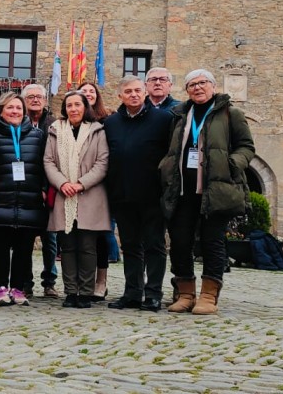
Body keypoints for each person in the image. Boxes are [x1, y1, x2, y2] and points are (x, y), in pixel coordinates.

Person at [159, 69, 255, 315]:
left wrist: (232, 164)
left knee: (213, 242)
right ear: (187, 90)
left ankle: (209, 295)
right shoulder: (179, 115)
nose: (197, 88)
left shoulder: (230, 113)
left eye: (202, 83)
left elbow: (246, 146)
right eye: (192, 84)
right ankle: (185, 292)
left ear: (212, 86)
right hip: (182, 190)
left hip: (215, 188)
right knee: (180, 241)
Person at [103, 75, 173, 312]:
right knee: (131, 246)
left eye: (137, 91)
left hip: (152, 194)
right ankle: (132, 292)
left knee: (154, 245)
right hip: (122, 194)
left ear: (144, 93)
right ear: (120, 96)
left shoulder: (163, 119)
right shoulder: (111, 123)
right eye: (128, 92)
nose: (133, 95)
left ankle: (153, 293)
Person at [0, 92, 48, 306]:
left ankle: (17, 288)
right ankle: (1, 287)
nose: (15, 111)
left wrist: (44, 188)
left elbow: (45, 165)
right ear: (1, 111)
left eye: (18, 108)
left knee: (24, 249)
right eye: (10, 107)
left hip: (29, 200)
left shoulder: (37, 136)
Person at [44, 91, 109, 309]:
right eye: (69, 105)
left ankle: (86, 292)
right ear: (64, 109)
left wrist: (81, 183)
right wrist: (63, 183)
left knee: (88, 247)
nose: (73, 109)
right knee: (68, 247)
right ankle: (71, 291)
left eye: (77, 105)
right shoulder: (55, 130)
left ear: (85, 107)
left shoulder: (97, 130)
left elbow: (102, 162)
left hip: (89, 194)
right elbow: (49, 161)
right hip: (64, 194)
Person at [77, 81, 114, 299]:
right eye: (84, 91)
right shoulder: (72, 122)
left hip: (100, 186)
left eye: (92, 91)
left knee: (101, 236)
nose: (88, 94)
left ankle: (101, 281)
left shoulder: (107, 121)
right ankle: (83, 281)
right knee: (79, 237)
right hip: (75, 186)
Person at [21, 83, 59, 299]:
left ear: (45, 100)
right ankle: (26, 282)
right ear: (24, 100)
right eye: (31, 97)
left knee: (50, 239)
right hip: (25, 188)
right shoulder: (19, 122)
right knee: (25, 239)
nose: (35, 100)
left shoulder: (54, 124)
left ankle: (49, 282)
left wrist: (46, 187)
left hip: (49, 187)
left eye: (39, 97)